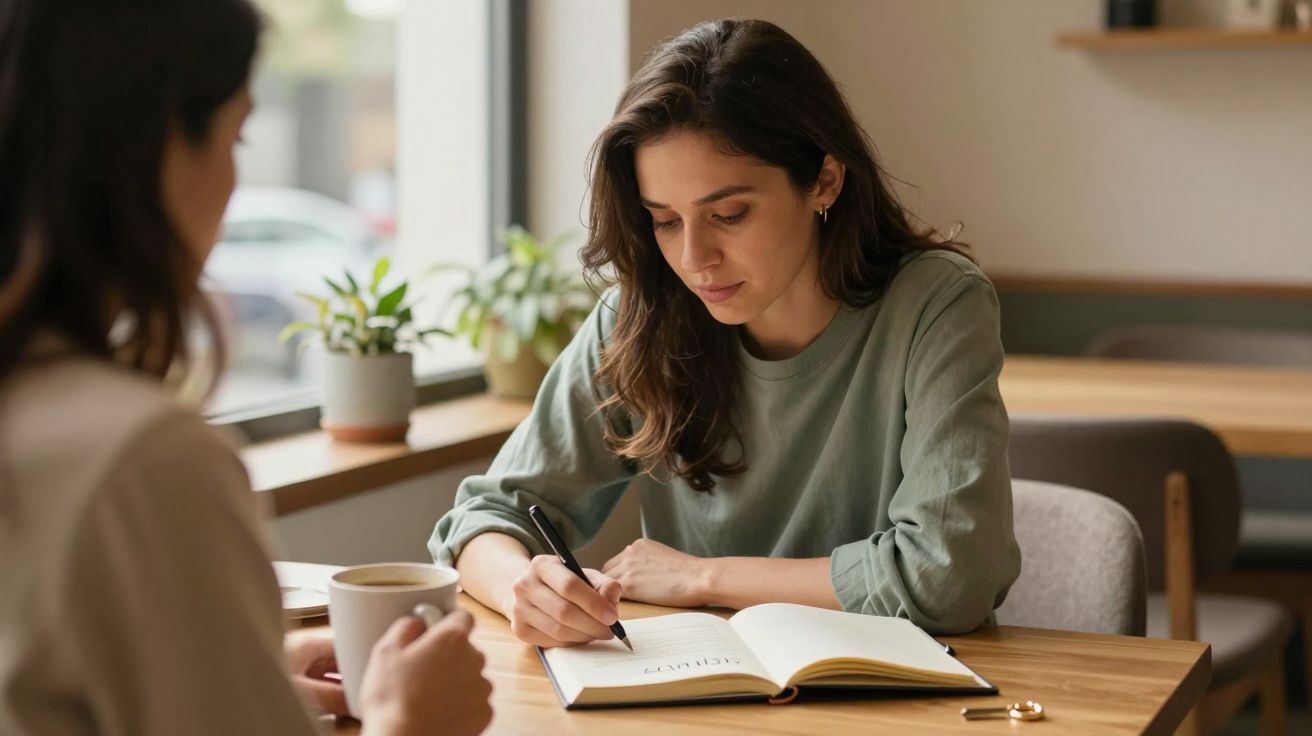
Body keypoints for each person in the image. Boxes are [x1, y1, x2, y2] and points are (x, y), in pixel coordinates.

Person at [431, 18, 1021, 647]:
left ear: (824, 179)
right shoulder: (639, 317)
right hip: (700, 690)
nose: (693, 258)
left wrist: (704, 578)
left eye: (728, 214)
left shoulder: (936, 303)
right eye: (663, 220)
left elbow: (948, 577)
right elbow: (481, 519)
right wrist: (524, 589)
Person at [0, 1, 492, 734]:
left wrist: (240, 673)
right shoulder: (140, 460)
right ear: (156, 146)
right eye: (237, 136)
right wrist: (408, 722)